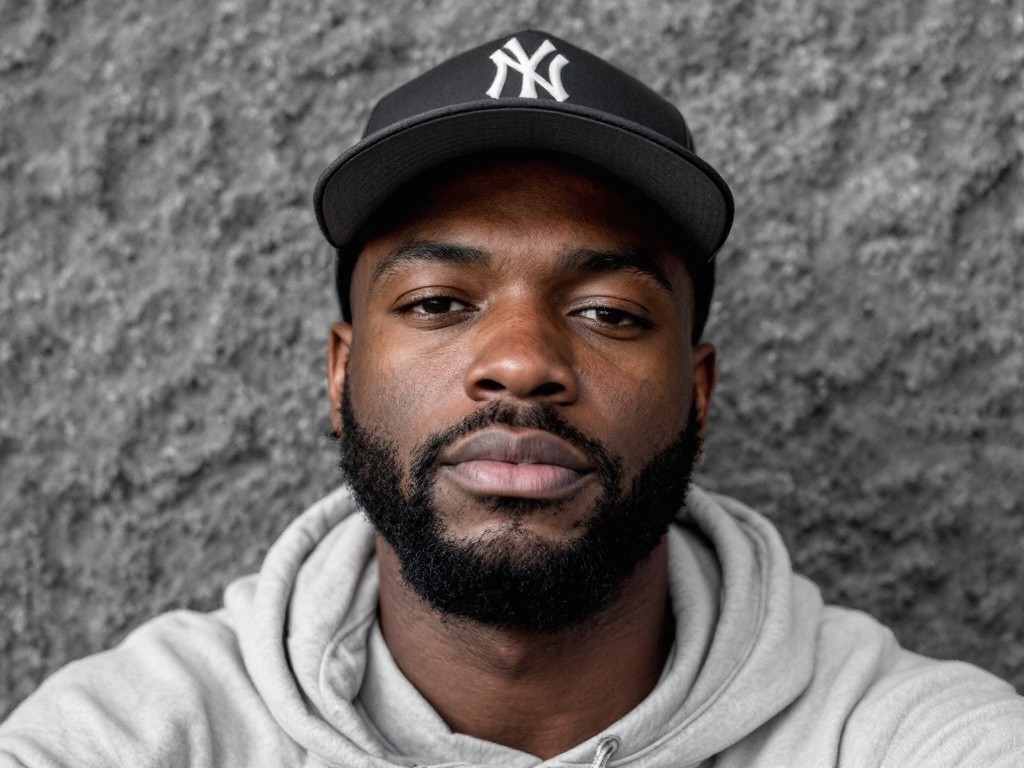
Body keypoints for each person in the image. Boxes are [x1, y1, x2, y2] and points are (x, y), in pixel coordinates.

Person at [2, 29, 1022, 768]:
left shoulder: (891, 736)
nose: (522, 362)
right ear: (338, 372)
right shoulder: (141, 739)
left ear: (698, 394)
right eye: (441, 301)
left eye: (611, 313)